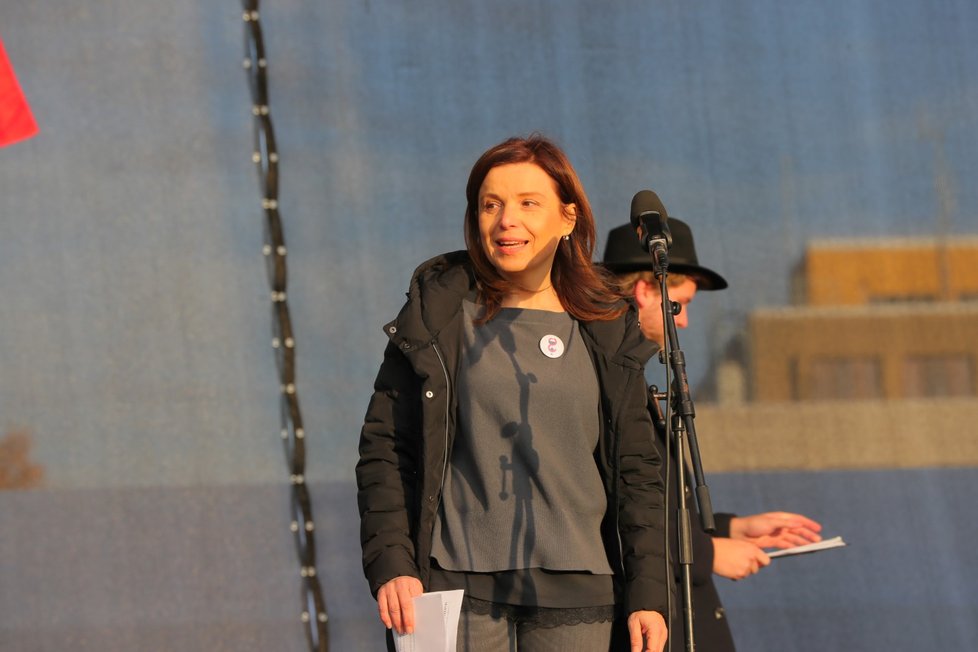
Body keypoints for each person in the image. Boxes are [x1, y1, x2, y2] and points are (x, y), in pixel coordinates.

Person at [357, 135, 670, 652]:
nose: (506, 220)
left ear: (568, 218)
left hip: (580, 595)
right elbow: (385, 450)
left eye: (528, 203)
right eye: (491, 204)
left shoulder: (608, 326)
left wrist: (649, 594)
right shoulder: (437, 314)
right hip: (450, 588)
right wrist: (393, 563)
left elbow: (638, 470)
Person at [602, 220, 823, 651]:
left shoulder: (625, 374)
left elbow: (652, 502)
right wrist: (710, 554)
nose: (683, 324)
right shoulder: (602, 379)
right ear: (646, 291)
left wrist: (730, 528)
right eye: (680, 305)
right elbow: (611, 507)